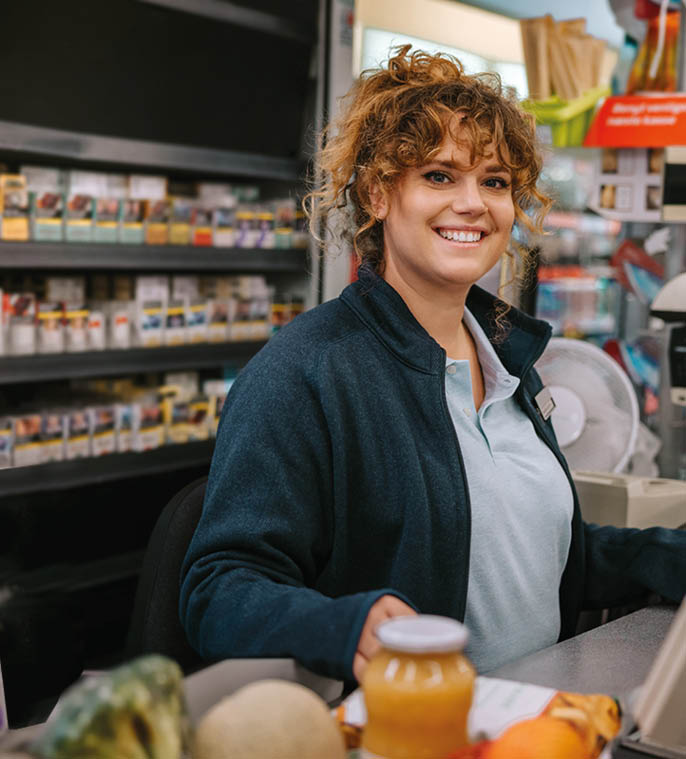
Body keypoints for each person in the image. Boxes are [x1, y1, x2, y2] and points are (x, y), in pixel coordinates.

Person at [180, 47, 686, 685]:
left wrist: (666, 553)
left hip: (528, 720)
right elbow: (217, 589)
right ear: (378, 194)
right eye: (440, 176)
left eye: (495, 181)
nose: (474, 203)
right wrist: (342, 625)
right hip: (405, 729)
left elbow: (531, 558)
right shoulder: (306, 372)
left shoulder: (509, 362)